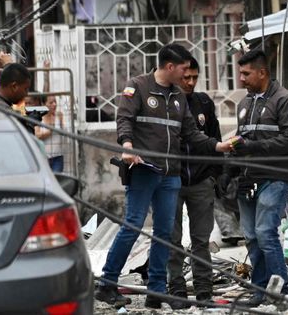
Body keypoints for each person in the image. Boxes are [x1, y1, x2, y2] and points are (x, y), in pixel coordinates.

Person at [94, 44, 235, 310]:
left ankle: (157, 290)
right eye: (183, 70)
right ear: (170, 67)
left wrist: (217, 146)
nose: (186, 76)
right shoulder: (137, 87)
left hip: (172, 175)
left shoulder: (179, 97)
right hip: (144, 170)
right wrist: (127, 147)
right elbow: (124, 120)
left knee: (164, 234)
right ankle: (107, 283)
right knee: (133, 225)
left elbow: (191, 133)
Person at [229, 48, 288, 307]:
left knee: (265, 233)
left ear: (263, 73)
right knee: (250, 235)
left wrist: (252, 147)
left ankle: (280, 290)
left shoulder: (285, 101)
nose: (241, 79)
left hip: (275, 177)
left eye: (246, 73)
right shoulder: (244, 104)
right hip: (247, 180)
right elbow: (241, 140)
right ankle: (259, 291)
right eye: (240, 73)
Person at [166, 57, 222, 306]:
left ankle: (204, 290)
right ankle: (176, 289)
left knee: (201, 240)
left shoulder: (204, 103)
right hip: (171, 181)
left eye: (194, 78)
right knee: (172, 239)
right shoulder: (164, 103)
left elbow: (215, 140)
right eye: (185, 77)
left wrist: (215, 175)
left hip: (201, 182)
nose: (190, 82)